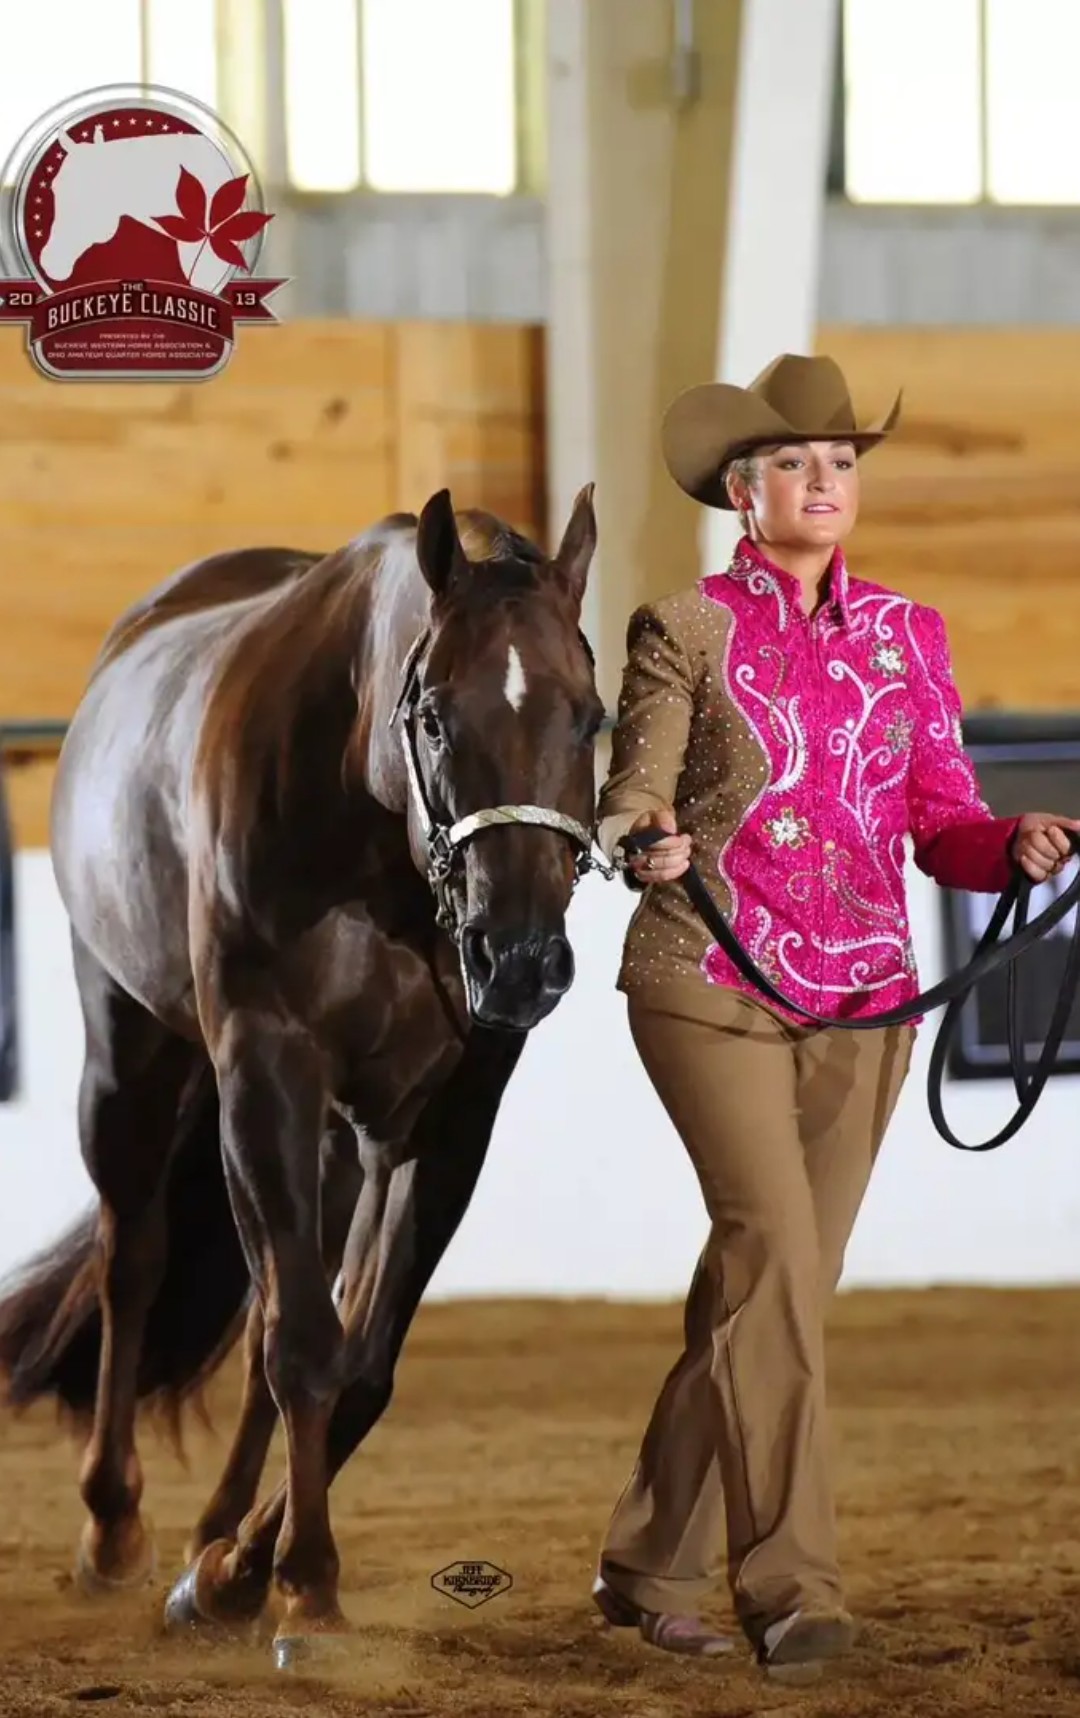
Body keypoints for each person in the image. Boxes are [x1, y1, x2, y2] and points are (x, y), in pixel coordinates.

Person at [587, 353, 1080, 1684]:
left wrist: (1007, 846)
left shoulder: (911, 635)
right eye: (796, 462)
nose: (824, 481)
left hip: (868, 1002)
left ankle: (646, 1561)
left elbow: (943, 818)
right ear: (742, 491)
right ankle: (793, 1587)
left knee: (770, 1289)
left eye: (842, 462)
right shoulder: (682, 627)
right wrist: (645, 839)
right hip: (709, 979)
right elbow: (633, 791)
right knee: (773, 1262)